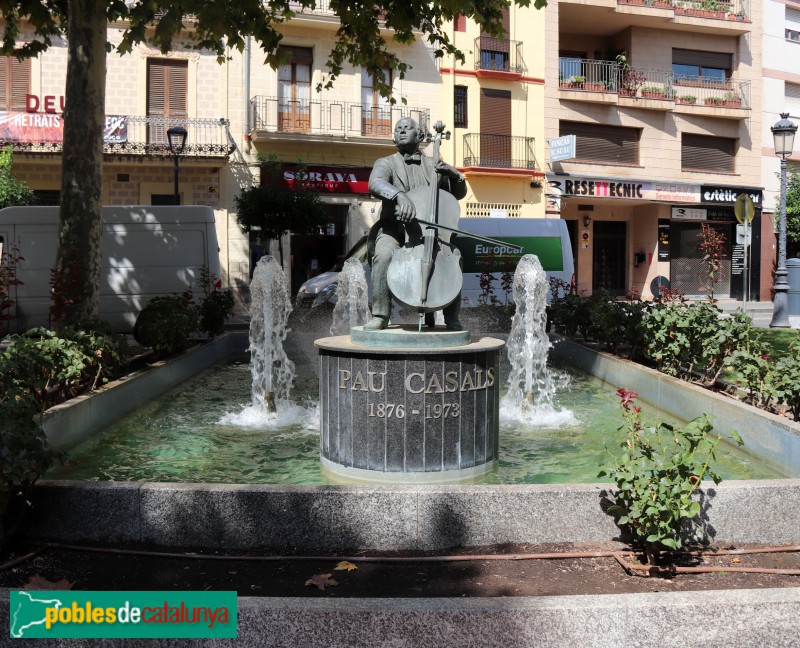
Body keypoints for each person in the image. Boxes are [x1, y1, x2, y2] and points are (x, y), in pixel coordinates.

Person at [366, 117, 468, 331]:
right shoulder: (386, 163)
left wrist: (455, 175)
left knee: (455, 257)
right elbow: (375, 183)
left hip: (428, 230)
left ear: (420, 136)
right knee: (383, 256)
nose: (402, 131)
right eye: (398, 128)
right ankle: (380, 315)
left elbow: (457, 194)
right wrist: (399, 196)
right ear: (394, 138)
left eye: (407, 128)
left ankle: (451, 317)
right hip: (395, 228)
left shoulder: (434, 165)